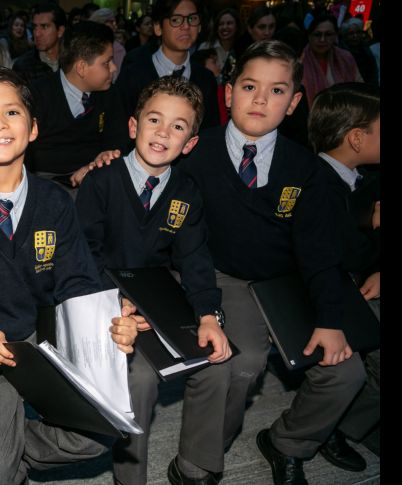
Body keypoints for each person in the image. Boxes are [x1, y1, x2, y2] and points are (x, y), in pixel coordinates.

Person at [0, 66, 137, 485]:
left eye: (12, 113)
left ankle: (4, 456)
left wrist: (111, 318)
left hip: (42, 346)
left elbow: (77, 279)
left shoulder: (55, 201)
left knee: (98, 436)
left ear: (33, 128)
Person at [176, 40, 366, 485]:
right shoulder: (195, 153)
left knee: (346, 370)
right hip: (226, 275)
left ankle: (287, 442)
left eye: (277, 90)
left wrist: (329, 318)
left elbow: (320, 253)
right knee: (242, 363)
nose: (260, 99)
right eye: (248, 86)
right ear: (228, 93)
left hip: (287, 278)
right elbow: (147, 171)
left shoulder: (305, 169)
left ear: (295, 102)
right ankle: (199, 461)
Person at [75, 75, 232, 485]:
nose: (163, 132)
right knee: (139, 378)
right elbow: (82, 254)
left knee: (215, 360)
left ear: (190, 144)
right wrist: (110, 303)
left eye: (178, 127)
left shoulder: (186, 192)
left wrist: (208, 314)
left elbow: (195, 258)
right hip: (103, 296)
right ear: (133, 126)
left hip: (156, 293)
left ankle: (194, 465)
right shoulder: (101, 181)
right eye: (154, 120)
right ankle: (131, 478)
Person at [308, 82, 380, 473]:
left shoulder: (366, 178)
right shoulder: (317, 183)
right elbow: (336, 254)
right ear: (356, 138)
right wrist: (370, 224)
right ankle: (332, 424)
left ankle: (351, 421)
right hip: (329, 292)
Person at [26, 21, 129, 189]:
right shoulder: (37, 95)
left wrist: (98, 164)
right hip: (44, 184)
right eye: (107, 62)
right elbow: (28, 156)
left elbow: (118, 143)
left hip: (96, 178)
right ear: (81, 68)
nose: (113, 68)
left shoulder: (111, 94)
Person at [116, 0, 220, 136]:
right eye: (176, 20)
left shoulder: (205, 78)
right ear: (158, 28)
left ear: (199, 26)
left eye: (192, 19)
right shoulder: (132, 75)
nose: (186, 26)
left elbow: (210, 133)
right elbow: (119, 131)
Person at [301, 13, 363, 108]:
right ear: (309, 36)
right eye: (317, 35)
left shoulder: (346, 58)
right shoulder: (299, 60)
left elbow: (359, 88)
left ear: (335, 36)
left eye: (328, 34)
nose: (322, 40)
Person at [11, 2, 66, 82]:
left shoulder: (73, 62)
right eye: (35, 27)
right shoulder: (22, 66)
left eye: (44, 26)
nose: (37, 33)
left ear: (60, 31)